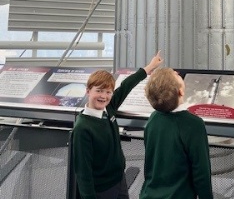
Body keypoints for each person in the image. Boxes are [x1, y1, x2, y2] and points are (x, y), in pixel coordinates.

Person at [72, 51, 164, 199]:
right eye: (99, 91)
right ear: (88, 91)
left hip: (119, 180)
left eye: (108, 92)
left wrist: (150, 67)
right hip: (101, 189)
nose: (104, 96)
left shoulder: (109, 108)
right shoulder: (82, 128)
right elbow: (83, 172)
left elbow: (127, 85)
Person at [139, 68, 214, 199]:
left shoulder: (153, 118)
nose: (177, 73)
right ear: (180, 91)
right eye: (176, 75)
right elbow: (201, 172)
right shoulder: (193, 124)